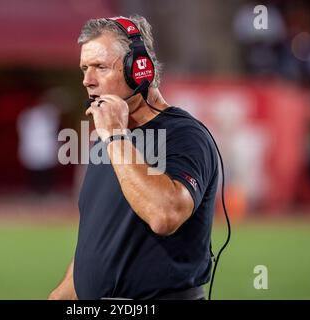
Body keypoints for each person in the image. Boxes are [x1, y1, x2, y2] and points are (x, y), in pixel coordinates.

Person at [49, 15, 219, 300]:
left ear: (139, 70)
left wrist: (115, 136)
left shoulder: (185, 135)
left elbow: (165, 215)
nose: (87, 81)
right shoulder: (108, 138)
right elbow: (100, 241)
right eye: (84, 69)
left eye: (100, 67)